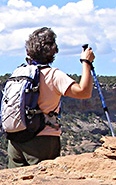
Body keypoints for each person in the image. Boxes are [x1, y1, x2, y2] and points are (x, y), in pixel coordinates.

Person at [7, 27, 95, 168]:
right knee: (42, 184)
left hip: (15, 138)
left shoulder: (18, 73)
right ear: (53, 51)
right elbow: (84, 92)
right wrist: (87, 63)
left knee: (15, 184)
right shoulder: (53, 75)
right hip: (42, 139)